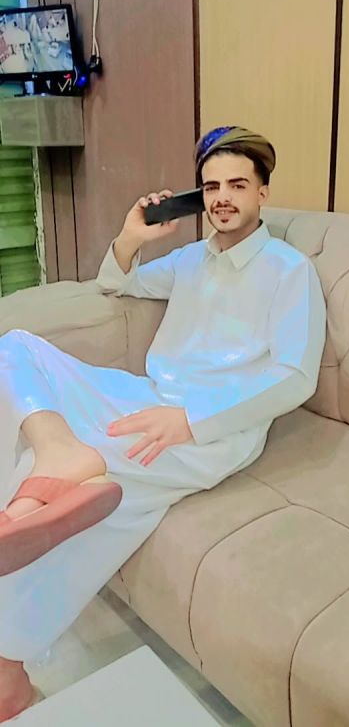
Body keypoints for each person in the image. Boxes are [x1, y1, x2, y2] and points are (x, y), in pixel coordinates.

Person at [0, 126, 326, 721]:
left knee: (90, 483)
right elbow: (116, 282)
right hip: (147, 396)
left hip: (214, 429)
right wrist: (132, 237)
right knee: (15, 346)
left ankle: (8, 652)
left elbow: (295, 376)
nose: (222, 197)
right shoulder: (193, 259)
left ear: (263, 193)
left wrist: (192, 420)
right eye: (211, 187)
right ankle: (57, 453)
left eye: (237, 185)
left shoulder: (289, 270)